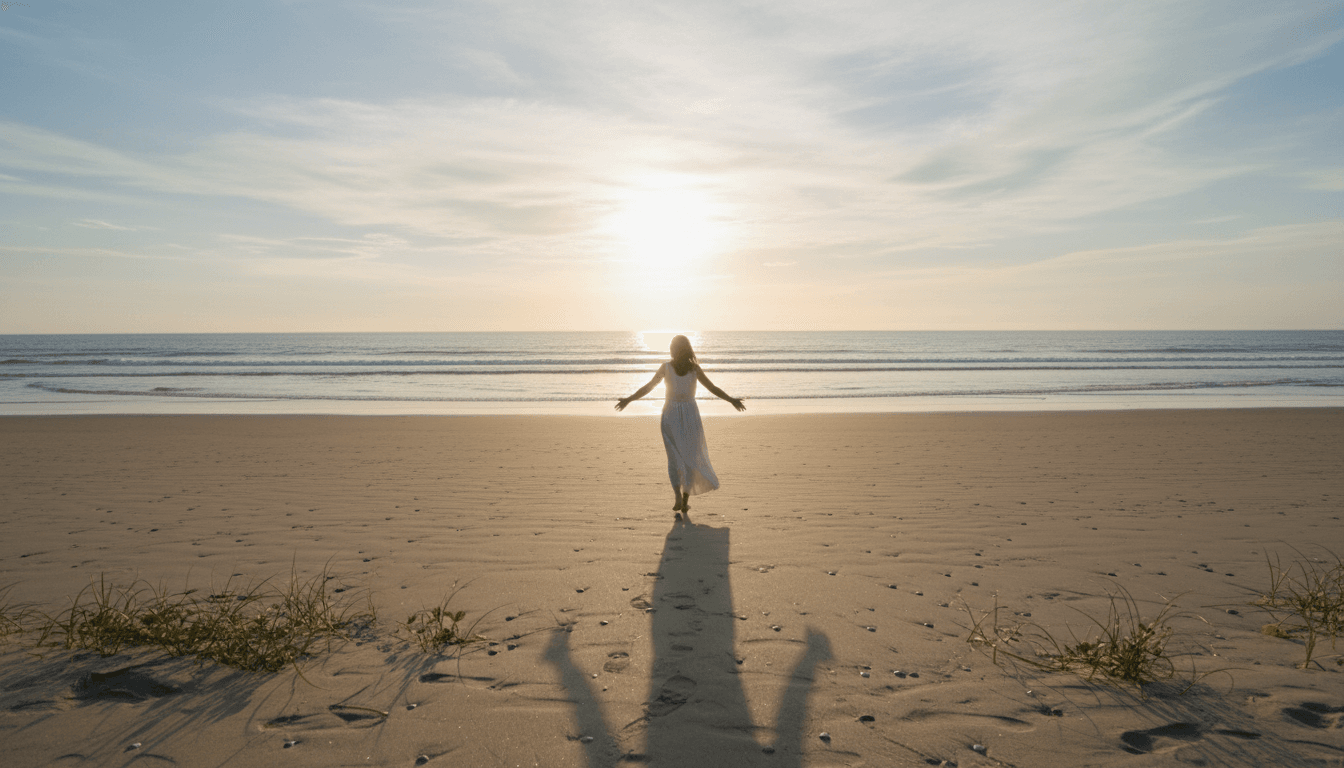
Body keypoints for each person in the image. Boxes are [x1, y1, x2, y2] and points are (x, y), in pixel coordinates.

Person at [616, 335, 745, 516]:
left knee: (674, 457)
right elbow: (713, 388)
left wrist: (629, 399)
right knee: (690, 457)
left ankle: (677, 496)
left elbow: (648, 387)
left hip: (670, 414)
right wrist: (731, 400)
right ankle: (684, 500)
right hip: (691, 414)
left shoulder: (666, 367)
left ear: (673, 349)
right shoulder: (694, 369)